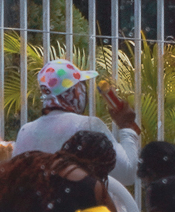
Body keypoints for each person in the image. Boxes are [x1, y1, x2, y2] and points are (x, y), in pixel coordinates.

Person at [11, 58, 142, 187]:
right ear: (74, 91)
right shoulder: (88, 125)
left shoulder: (25, 132)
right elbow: (128, 174)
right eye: (81, 85)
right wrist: (127, 126)